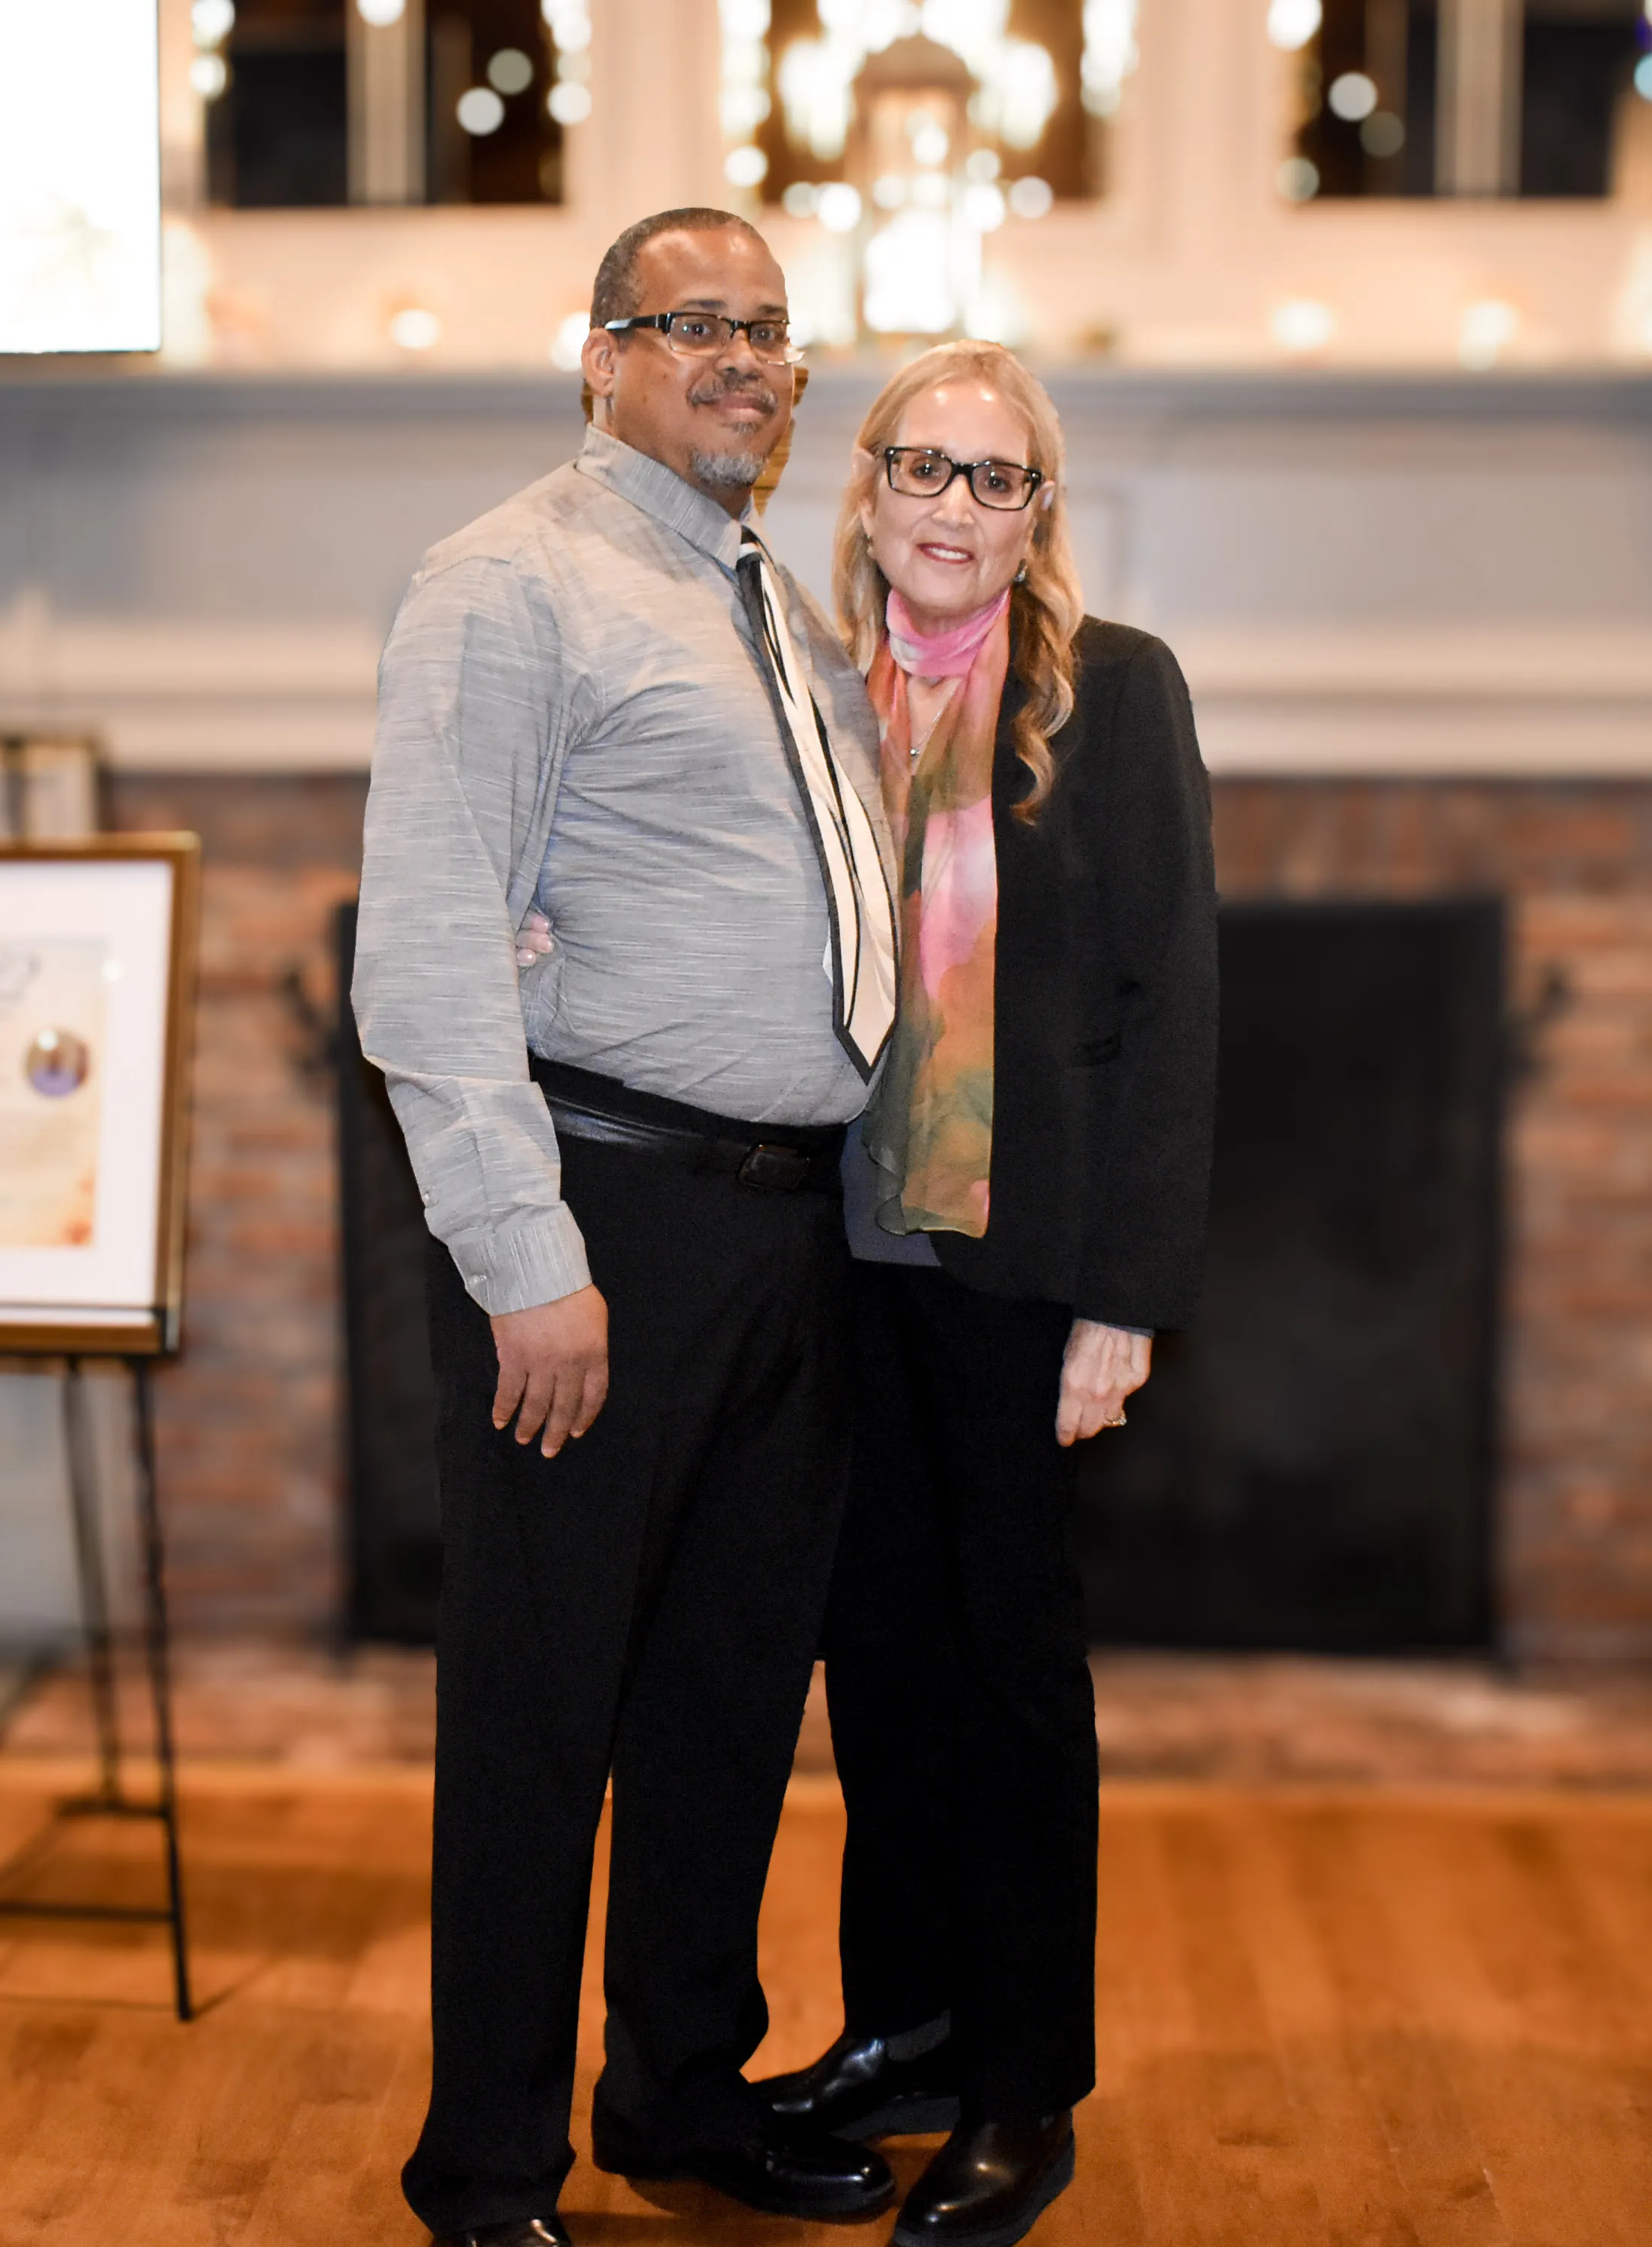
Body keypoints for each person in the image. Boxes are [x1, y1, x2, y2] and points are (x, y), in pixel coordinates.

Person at [352, 208, 900, 2247]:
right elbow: (427, 950)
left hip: (788, 1237)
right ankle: (486, 2167)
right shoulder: (508, 582)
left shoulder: (773, 601)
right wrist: (528, 1261)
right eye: (692, 324)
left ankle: (679, 2096)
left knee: (726, 1701)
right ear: (599, 357)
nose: (742, 358)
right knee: (538, 1711)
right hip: (599, 1224)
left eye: (768, 330)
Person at [759, 342, 1218, 2247]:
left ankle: (1025, 2085)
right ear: (866, 489)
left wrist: (1127, 1299)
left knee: (1013, 1675)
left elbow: (1171, 1005)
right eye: (923, 467)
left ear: (1037, 517)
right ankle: (909, 2031)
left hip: (1019, 1268)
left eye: (996, 477)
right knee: (876, 1665)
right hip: (829, 1264)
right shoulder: (797, 687)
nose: (953, 505)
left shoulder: (1114, 691)